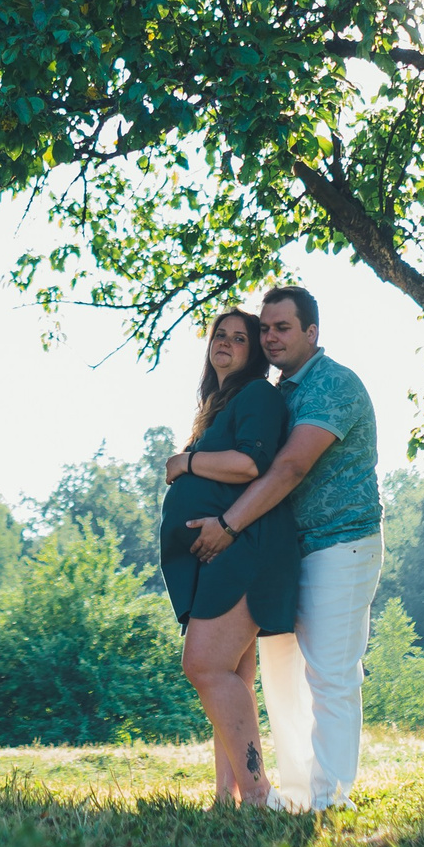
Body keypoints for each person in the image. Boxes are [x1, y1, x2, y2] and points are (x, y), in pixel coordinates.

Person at [183, 285, 383, 810]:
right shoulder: (283, 390)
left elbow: (290, 467)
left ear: (311, 333)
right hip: (287, 551)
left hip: (340, 544)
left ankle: (331, 800)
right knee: (281, 680)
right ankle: (291, 795)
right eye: (265, 327)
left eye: (282, 328)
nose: (269, 336)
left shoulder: (332, 384)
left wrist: (227, 523)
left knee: (331, 675)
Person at [157, 310, 302, 806]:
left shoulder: (256, 394)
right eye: (220, 334)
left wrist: (186, 462)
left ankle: (260, 793)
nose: (227, 342)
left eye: (241, 338)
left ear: (254, 353)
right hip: (220, 553)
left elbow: (250, 463)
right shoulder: (218, 404)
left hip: (243, 549)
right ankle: (229, 794)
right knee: (233, 674)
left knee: (204, 665)